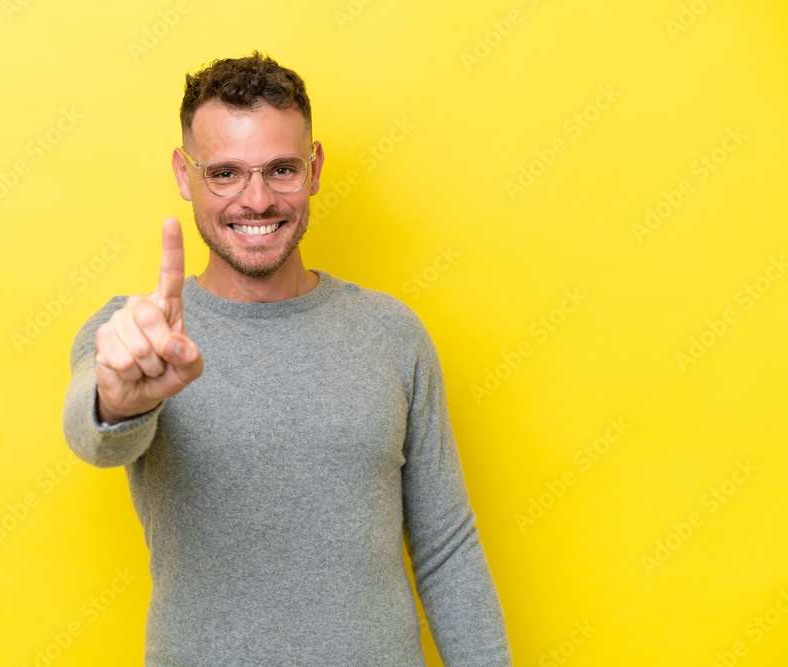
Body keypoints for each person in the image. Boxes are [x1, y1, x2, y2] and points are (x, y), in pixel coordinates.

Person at [61, 51, 512, 666]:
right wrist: (118, 400)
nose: (257, 200)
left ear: (315, 167)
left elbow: (447, 547)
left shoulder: (392, 333)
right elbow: (94, 435)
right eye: (224, 173)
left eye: (281, 169)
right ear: (183, 172)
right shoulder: (139, 335)